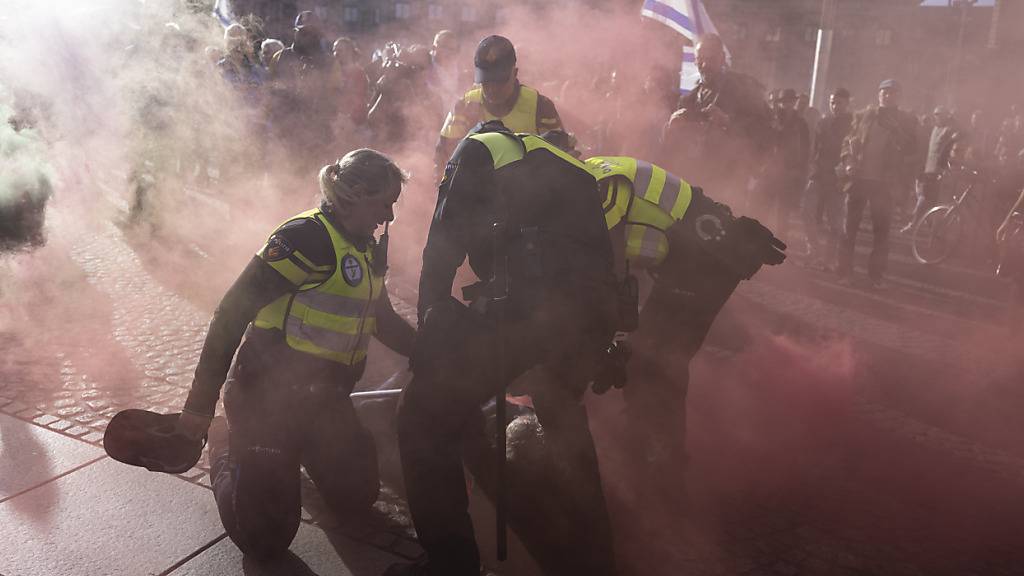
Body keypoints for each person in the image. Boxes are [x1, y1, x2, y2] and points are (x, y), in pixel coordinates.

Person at [388, 121, 619, 576]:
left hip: (530, 316)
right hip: (588, 321)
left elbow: (441, 252)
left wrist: (430, 334)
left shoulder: (475, 150)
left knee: (421, 417)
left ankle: (450, 565)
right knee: (563, 417)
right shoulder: (567, 163)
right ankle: (597, 557)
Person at [174, 150, 415, 560]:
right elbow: (230, 314)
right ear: (355, 193)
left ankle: (292, 462)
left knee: (357, 497)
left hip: (326, 402)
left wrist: (435, 355)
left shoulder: (364, 246)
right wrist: (198, 407)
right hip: (267, 402)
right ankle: (226, 441)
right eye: (384, 202)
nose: (389, 215)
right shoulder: (304, 238)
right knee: (265, 542)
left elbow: (383, 319)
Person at [575, 147, 785, 508]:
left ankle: (663, 477)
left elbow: (612, 274)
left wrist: (617, 338)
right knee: (646, 356)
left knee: (655, 362)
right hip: (693, 253)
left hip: (707, 261)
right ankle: (650, 455)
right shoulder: (586, 174)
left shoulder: (599, 188)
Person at [660, 33, 771, 207]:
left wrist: (727, 122)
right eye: (700, 59)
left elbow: (764, 133)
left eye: (710, 59)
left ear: (722, 59)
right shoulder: (688, 100)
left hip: (728, 183)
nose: (704, 65)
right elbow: (671, 150)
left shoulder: (743, 90)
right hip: (691, 181)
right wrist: (671, 128)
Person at [434, 35, 563, 175]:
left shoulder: (540, 107)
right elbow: (443, 159)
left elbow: (562, 159)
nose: (492, 89)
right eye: (486, 81)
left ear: (515, 73)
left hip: (528, 190)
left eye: (500, 82)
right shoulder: (464, 106)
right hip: (476, 192)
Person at [836, 79, 918, 289]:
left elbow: (912, 151)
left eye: (893, 93)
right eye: (885, 92)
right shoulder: (864, 116)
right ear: (878, 94)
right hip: (859, 180)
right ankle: (844, 272)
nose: (888, 96)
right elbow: (848, 142)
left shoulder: (906, 121)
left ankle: (876, 276)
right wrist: (848, 162)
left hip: (885, 184)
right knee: (849, 229)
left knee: (881, 232)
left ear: (899, 96)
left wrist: (904, 183)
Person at [801, 88, 853, 268]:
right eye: (832, 102)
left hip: (838, 178)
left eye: (839, 103)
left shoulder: (853, 124)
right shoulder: (823, 122)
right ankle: (813, 250)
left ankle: (829, 259)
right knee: (806, 211)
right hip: (818, 175)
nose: (835, 106)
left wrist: (847, 170)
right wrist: (812, 166)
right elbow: (815, 148)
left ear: (847, 103)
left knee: (835, 222)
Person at [901, 107, 961, 233]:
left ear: (946, 116)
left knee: (925, 198)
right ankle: (929, 227)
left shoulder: (949, 130)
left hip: (939, 172)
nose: (936, 117)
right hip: (929, 169)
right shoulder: (934, 129)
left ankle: (915, 225)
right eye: (935, 114)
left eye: (939, 114)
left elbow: (954, 141)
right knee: (925, 198)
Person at [761, 88, 810, 244]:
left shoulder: (801, 123)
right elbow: (763, 142)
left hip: (789, 172)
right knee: (765, 207)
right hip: (770, 170)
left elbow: (806, 149)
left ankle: (779, 242)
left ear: (794, 102)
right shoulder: (771, 119)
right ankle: (760, 239)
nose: (787, 105)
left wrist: (800, 170)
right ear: (779, 103)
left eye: (790, 101)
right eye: (783, 102)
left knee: (784, 212)